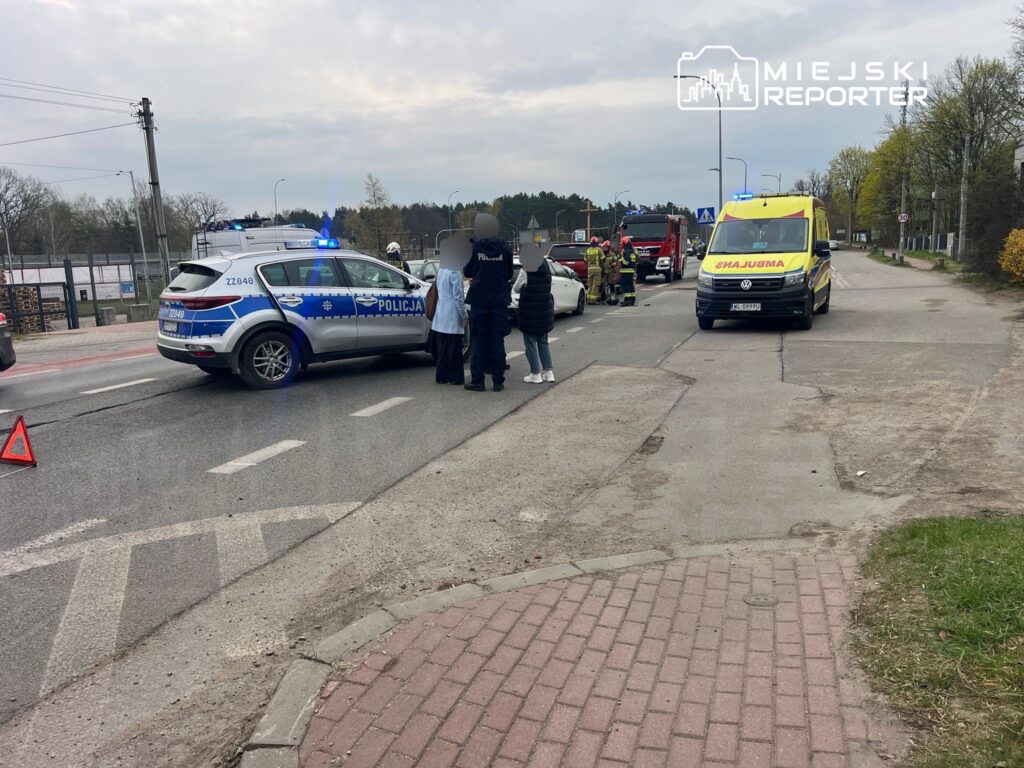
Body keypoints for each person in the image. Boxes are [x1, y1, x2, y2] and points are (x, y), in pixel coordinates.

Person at [463, 233, 514, 391]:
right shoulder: (505, 248)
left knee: (478, 341)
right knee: (497, 340)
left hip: (479, 300)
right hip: (499, 300)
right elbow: (509, 273)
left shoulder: (475, 247)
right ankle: (498, 381)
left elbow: (467, 272)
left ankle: (478, 381)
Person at [518, 258, 556, 384]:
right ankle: (549, 372)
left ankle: (535, 373)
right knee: (543, 342)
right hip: (544, 309)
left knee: (530, 343)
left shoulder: (526, 269)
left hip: (529, 311)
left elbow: (516, 288)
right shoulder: (547, 269)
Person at [431, 264, 468, 385]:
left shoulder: (441, 270)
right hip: (452, 313)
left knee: (443, 347)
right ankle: (454, 377)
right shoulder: (454, 271)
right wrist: (464, 315)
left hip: (441, 311)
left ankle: (441, 376)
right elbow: (458, 296)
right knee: (454, 348)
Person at [619, 236, 638, 306]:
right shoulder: (632, 252)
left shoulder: (626, 252)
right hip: (631, 271)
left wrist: (620, 260)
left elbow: (625, 262)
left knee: (625, 285)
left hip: (626, 271)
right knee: (630, 285)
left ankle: (627, 300)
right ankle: (632, 299)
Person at [585, 236, 603, 305]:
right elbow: (603, 259)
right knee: (596, 285)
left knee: (590, 285)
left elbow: (585, 260)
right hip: (597, 269)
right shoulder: (599, 250)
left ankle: (588, 299)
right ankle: (593, 300)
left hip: (589, 269)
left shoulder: (588, 250)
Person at [600, 239, 618, 304]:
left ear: (609, 248)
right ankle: (602, 298)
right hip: (603, 272)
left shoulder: (612, 254)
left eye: (607, 248)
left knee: (611, 284)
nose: (605, 249)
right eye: (604, 247)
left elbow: (616, 262)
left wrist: (611, 265)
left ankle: (612, 297)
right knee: (602, 285)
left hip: (610, 271)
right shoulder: (601, 254)